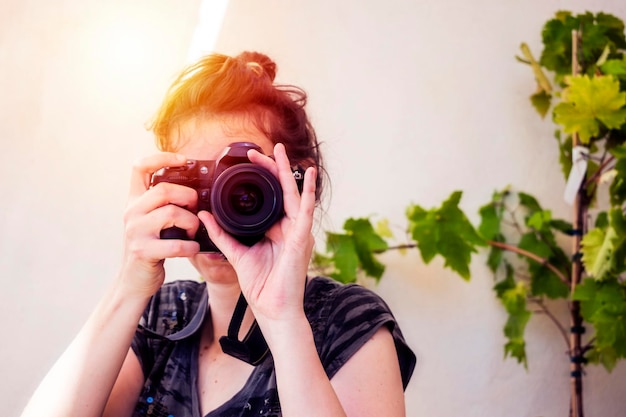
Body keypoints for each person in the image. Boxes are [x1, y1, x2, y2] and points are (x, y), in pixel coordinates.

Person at [21, 51, 415, 417]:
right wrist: (130, 284)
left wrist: (282, 318)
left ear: (298, 184)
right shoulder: (162, 318)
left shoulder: (346, 323)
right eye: (200, 180)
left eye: (246, 182)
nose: (222, 208)